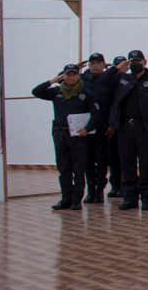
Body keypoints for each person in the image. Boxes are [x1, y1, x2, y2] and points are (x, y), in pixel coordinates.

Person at [33, 64, 102, 210]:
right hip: (60, 133)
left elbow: (96, 115)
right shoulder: (56, 92)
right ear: (63, 76)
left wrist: (87, 128)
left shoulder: (86, 93)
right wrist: (52, 81)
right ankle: (66, 198)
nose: (71, 77)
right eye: (68, 74)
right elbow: (36, 91)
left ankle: (76, 199)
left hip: (78, 136)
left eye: (73, 74)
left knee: (78, 169)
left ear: (78, 76)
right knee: (63, 168)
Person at [108, 50, 148, 211]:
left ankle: (147, 197)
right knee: (127, 163)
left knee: (147, 163)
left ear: (145, 62)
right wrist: (117, 69)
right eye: (132, 61)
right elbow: (103, 83)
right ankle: (129, 197)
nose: (135, 63)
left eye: (138, 61)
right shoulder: (122, 79)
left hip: (146, 127)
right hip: (125, 127)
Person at [78, 52, 112, 203]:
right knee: (87, 160)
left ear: (104, 65)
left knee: (102, 160)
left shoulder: (110, 78)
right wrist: (76, 68)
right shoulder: (83, 78)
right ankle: (91, 190)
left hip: (104, 124)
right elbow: (64, 78)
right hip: (87, 126)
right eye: (92, 63)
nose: (95, 66)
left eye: (99, 63)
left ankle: (99, 191)